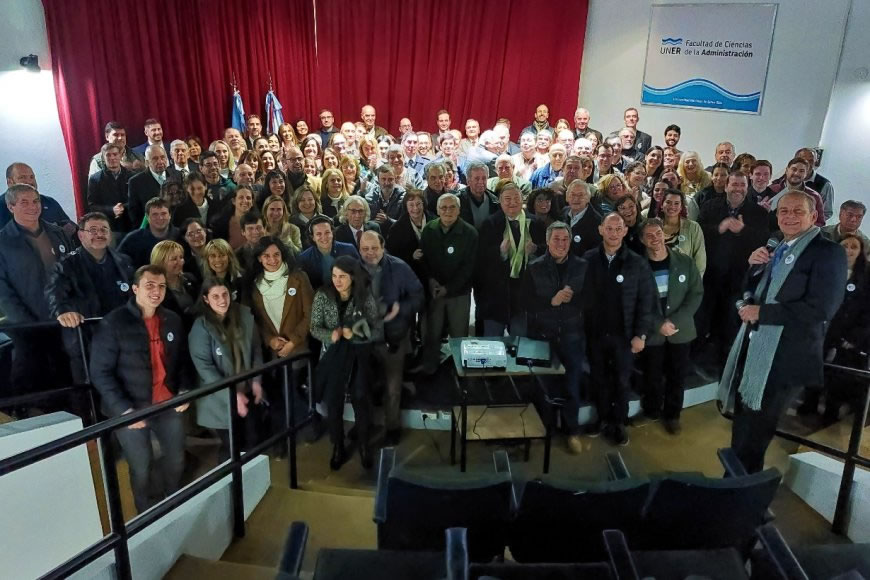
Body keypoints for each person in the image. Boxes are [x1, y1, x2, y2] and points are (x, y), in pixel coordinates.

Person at [721, 190, 846, 473]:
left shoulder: (828, 252)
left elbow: (821, 309)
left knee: (757, 432)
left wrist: (763, 313)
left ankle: (744, 496)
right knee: (743, 423)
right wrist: (754, 269)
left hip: (785, 356)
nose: (789, 217)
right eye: (784, 211)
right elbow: (755, 290)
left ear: (813, 216)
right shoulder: (778, 247)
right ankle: (733, 481)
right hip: (756, 348)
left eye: (797, 211)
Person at [89, 265, 190, 512]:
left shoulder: (173, 320)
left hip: (167, 403)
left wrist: (186, 390)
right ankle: (145, 513)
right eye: (150, 286)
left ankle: (173, 501)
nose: (156, 291)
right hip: (130, 408)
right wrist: (124, 410)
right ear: (135, 289)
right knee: (141, 465)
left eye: (162, 286)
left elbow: (183, 361)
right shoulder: (113, 324)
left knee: (176, 460)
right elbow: (100, 373)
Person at [581, 213, 655, 446]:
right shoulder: (589, 259)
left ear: (625, 231)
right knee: (599, 379)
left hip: (625, 335)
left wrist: (640, 335)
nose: (613, 233)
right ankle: (602, 419)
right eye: (609, 228)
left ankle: (618, 423)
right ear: (601, 229)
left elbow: (646, 301)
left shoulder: (637, 263)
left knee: (622, 381)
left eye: (618, 229)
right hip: (596, 333)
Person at [0, 184, 74, 398]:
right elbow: (3, 290)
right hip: (27, 325)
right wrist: (26, 322)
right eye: (24, 202)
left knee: (67, 374)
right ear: (11, 206)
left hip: (64, 318)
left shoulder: (57, 232)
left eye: (36, 201)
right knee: (32, 379)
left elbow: (72, 272)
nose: (33, 207)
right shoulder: (3, 241)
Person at [310, 255, 382, 470]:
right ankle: (338, 445)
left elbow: (376, 329)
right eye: (334, 276)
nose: (337, 281)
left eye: (342, 276)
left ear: (353, 276)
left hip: (358, 355)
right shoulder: (323, 295)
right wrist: (330, 335)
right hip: (333, 354)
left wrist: (356, 334)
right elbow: (314, 327)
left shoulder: (363, 295)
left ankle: (363, 444)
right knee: (334, 401)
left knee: (361, 397)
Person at [523, 221, 588, 453]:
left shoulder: (582, 266)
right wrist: (552, 301)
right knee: (543, 385)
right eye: (556, 239)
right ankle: (544, 428)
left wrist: (573, 301)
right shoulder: (534, 267)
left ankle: (572, 431)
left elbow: (589, 299)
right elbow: (526, 302)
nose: (561, 244)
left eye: (565, 240)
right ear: (548, 242)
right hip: (543, 334)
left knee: (572, 384)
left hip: (572, 334)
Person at [46, 212, 134, 383]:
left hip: (123, 337)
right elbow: (55, 294)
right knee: (89, 390)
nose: (99, 234)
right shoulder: (66, 266)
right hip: (87, 340)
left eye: (104, 230)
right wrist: (63, 312)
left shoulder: (124, 261)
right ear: (80, 235)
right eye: (92, 230)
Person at [245, 237, 314, 448]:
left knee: (290, 390)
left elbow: (309, 314)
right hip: (272, 351)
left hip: (297, 349)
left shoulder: (298, 278)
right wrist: (270, 340)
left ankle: (308, 428)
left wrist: (292, 341)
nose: (272, 259)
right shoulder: (255, 285)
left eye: (276, 254)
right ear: (259, 258)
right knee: (278, 393)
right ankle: (285, 437)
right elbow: (255, 320)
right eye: (266, 255)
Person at [697, 171, 769, 366]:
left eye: (742, 185)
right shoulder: (710, 206)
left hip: (738, 279)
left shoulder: (759, 213)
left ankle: (722, 363)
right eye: (734, 184)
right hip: (710, 275)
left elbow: (764, 240)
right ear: (726, 186)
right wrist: (719, 228)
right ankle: (696, 359)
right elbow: (698, 231)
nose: (737, 189)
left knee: (729, 322)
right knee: (703, 317)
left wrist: (742, 230)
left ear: (747, 187)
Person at [189, 277, 264, 461]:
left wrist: (256, 381)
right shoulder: (201, 327)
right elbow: (205, 368)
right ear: (206, 299)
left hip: (246, 390)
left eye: (225, 294)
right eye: (215, 296)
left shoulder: (244, 316)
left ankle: (252, 480)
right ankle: (232, 484)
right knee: (232, 444)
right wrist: (232, 395)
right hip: (218, 397)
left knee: (253, 438)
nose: (222, 300)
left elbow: (256, 350)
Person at [359, 231, 423, 445]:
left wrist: (399, 310)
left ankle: (392, 428)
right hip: (363, 338)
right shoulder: (353, 269)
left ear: (383, 246)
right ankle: (364, 426)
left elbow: (419, 297)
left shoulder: (399, 267)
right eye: (365, 249)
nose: (369, 253)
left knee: (392, 387)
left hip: (393, 337)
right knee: (364, 384)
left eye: (374, 248)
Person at [640, 218, 703, 434]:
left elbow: (696, 294)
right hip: (653, 332)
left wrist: (674, 321)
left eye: (657, 233)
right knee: (652, 374)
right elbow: (635, 302)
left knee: (677, 375)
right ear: (642, 240)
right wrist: (658, 324)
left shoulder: (684, 261)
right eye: (649, 235)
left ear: (664, 234)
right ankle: (651, 410)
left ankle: (673, 415)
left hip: (680, 331)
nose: (654, 238)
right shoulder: (638, 266)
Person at [418, 193, 478, 375]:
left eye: (452, 207)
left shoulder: (470, 233)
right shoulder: (428, 230)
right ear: (437, 210)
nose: (447, 211)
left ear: (459, 210)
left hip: (458, 294)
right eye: (443, 207)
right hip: (434, 292)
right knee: (431, 333)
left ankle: (459, 372)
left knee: (459, 335)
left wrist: (449, 288)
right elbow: (424, 259)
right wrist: (431, 280)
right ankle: (429, 370)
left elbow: (469, 267)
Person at [812, 234, 870, 422]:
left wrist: (854, 338)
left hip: (847, 335)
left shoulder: (866, 277)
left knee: (839, 377)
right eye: (845, 245)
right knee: (814, 367)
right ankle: (809, 405)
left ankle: (831, 413)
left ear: (861, 252)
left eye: (854, 247)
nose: (849, 250)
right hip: (820, 329)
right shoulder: (824, 269)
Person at [476, 181, 545, 336]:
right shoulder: (490, 223)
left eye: (516, 198)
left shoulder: (535, 223)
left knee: (520, 342)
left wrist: (536, 249)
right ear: (500, 202)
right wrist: (499, 252)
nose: (512, 202)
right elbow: (481, 258)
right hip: (496, 293)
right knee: (493, 343)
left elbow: (547, 252)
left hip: (524, 291)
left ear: (523, 200)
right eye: (507, 199)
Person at [1, 163, 75, 233]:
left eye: (32, 177)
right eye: (22, 177)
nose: (29, 181)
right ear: (10, 182)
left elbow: (70, 227)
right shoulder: (2, 207)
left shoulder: (49, 202)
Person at [298, 215, 360, 289]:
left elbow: (360, 276)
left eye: (327, 232)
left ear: (332, 233)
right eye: (318, 234)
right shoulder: (304, 258)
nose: (324, 237)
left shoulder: (349, 249)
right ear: (313, 237)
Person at [87, 144, 134, 236]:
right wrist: (111, 209)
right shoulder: (95, 179)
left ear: (120, 156)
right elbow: (92, 206)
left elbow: (137, 200)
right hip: (108, 227)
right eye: (108, 155)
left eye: (115, 154)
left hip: (131, 224)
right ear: (103, 158)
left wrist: (123, 207)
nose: (112, 158)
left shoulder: (132, 176)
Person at [118, 197, 178, 268]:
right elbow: (118, 261)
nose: (160, 218)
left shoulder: (180, 235)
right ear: (147, 217)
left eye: (163, 213)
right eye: (155, 214)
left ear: (170, 215)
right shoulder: (133, 239)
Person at [766, 158, 826, 227]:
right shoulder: (772, 190)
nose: (797, 173)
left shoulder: (814, 196)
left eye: (801, 171)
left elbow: (820, 223)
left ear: (806, 174)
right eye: (794, 169)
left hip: (801, 236)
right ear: (786, 170)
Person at [659, 189, 706, 277]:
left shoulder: (693, 227)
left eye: (676, 203)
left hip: (684, 281)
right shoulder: (654, 226)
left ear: (681, 207)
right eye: (668, 202)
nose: (672, 206)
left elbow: (700, 261)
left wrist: (695, 284)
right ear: (662, 205)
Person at [150, 240, 197, 326]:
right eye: (174, 259)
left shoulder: (190, 279)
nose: (180, 262)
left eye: (181, 257)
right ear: (160, 262)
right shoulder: (155, 291)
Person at [128, 144, 169, 227]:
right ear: (147, 162)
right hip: (150, 230)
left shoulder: (176, 176)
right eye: (155, 159)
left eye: (162, 157)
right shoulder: (135, 182)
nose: (160, 161)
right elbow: (134, 213)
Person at [563, 180, 603, 258]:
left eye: (581, 195)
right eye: (572, 194)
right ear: (567, 197)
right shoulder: (563, 212)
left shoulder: (597, 222)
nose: (576, 198)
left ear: (588, 198)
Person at [365, 165, 407, 237]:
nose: (387, 183)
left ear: (395, 179)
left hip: (396, 236)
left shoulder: (404, 197)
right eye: (383, 179)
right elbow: (366, 222)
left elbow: (405, 224)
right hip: (374, 236)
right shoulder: (370, 197)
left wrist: (388, 221)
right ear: (378, 180)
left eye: (390, 179)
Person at [795, 147, 834, 222]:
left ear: (815, 162)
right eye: (803, 160)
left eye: (811, 161)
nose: (807, 164)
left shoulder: (825, 185)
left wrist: (809, 224)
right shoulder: (785, 180)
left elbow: (826, 212)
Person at [459, 162, 499, 229]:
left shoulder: (495, 200)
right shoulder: (458, 200)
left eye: (484, 178)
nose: (481, 182)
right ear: (468, 181)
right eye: (477, 179)